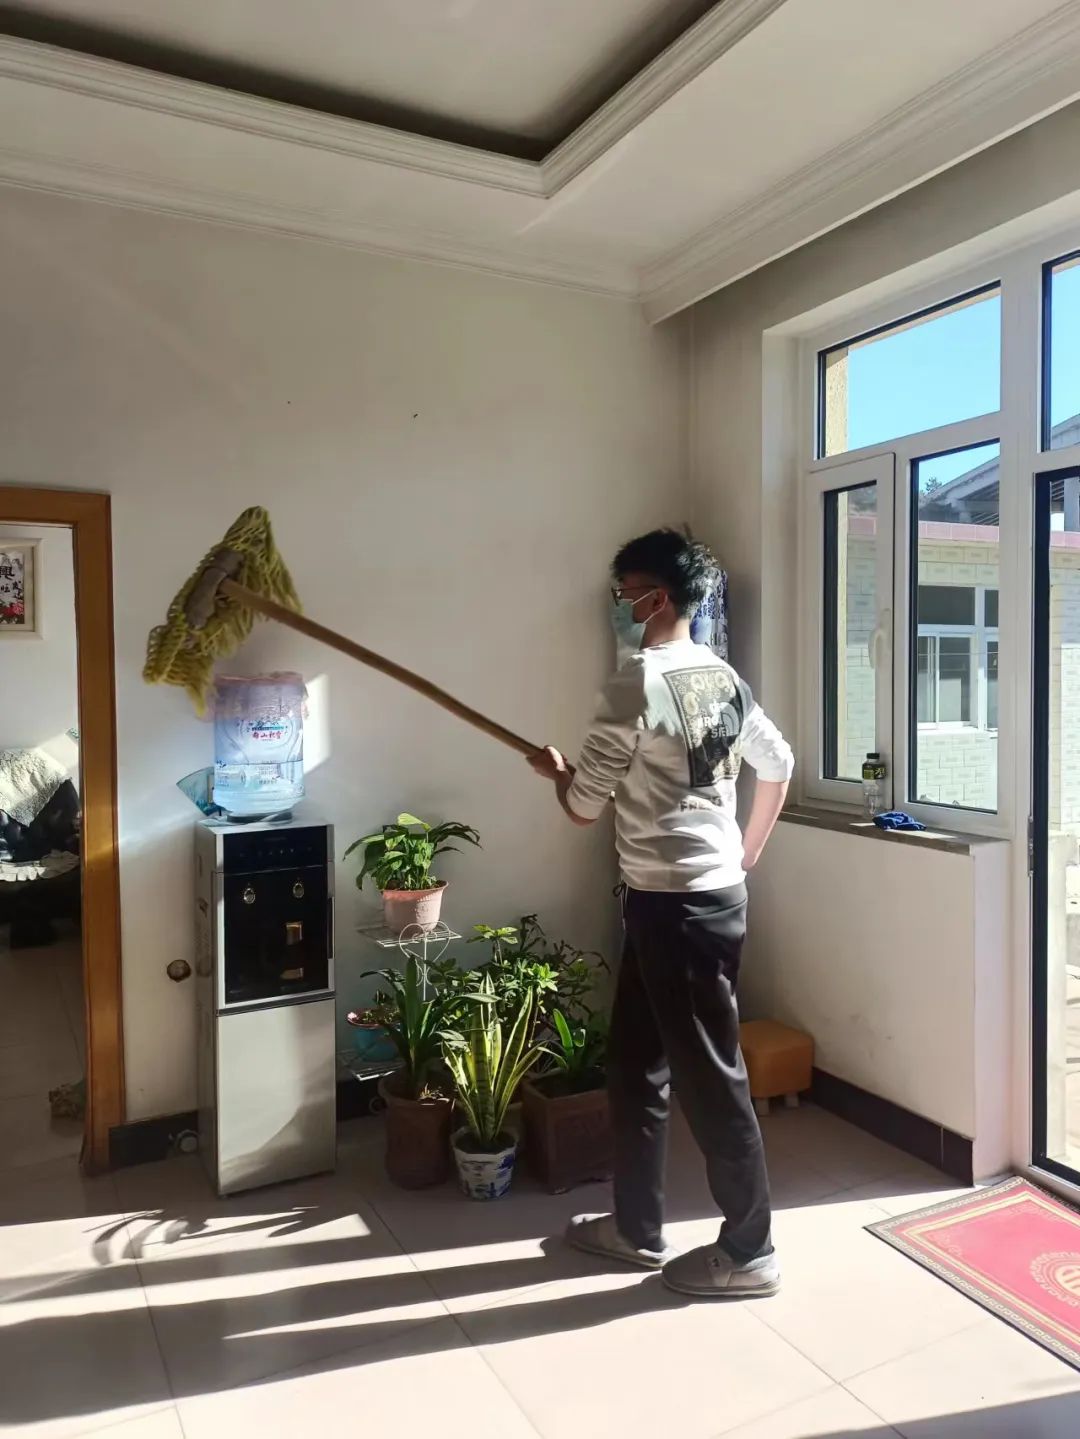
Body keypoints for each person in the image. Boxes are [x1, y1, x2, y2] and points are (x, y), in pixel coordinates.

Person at [528, 529, 793, 1299]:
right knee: (635, 1066)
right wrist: (744, 851)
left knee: (711, 1081)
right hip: (684, 901)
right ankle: (636, 1227)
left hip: (676, 910)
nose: (620, 604)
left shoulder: (632, 681)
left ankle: (751, 1249)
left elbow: (583, 805)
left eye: (626, 591)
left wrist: (558, 774)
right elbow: (778, 763)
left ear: (658, 598)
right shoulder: (720, 675)